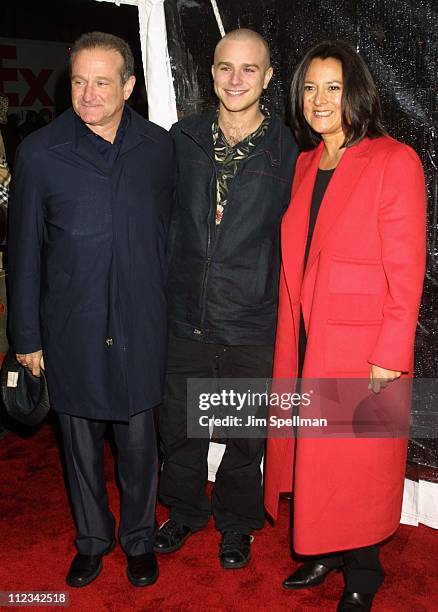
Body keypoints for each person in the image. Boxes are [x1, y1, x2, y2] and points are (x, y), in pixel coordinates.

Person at [7, 32, 175, 588]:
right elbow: (24, 251)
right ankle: (93, 540)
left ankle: (139, 538)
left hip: (140, 323)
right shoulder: (39, 153)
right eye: (79, 80)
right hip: (70, 327)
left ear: (128, 85)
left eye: (103, 81)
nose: (89, 93)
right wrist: (26, 337)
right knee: (78, 448)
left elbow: (173, 235)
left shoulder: (159, 148)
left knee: (138, 445)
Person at [264, 40, 426, 611]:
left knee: (355, 458)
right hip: (309, 334)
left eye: (333, 86)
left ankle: (364, 566)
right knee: (317, 451)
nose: (319, 99)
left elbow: (406, 271)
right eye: (309, 87)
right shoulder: (309, 161)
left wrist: (390, 351)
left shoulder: (393, 159)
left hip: (361, 344)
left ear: (357, 91)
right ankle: (325, 548)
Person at [155, 28, 298, 568]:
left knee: (243, 439)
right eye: (224, 68)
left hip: (250, 321)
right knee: (180, 428)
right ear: (212, 73)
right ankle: (186, 512)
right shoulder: (182, 138)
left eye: (248, 69)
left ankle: (237, 523)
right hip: (184, 315)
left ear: (266, 78)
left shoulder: (288, 150)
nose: (235, 79)